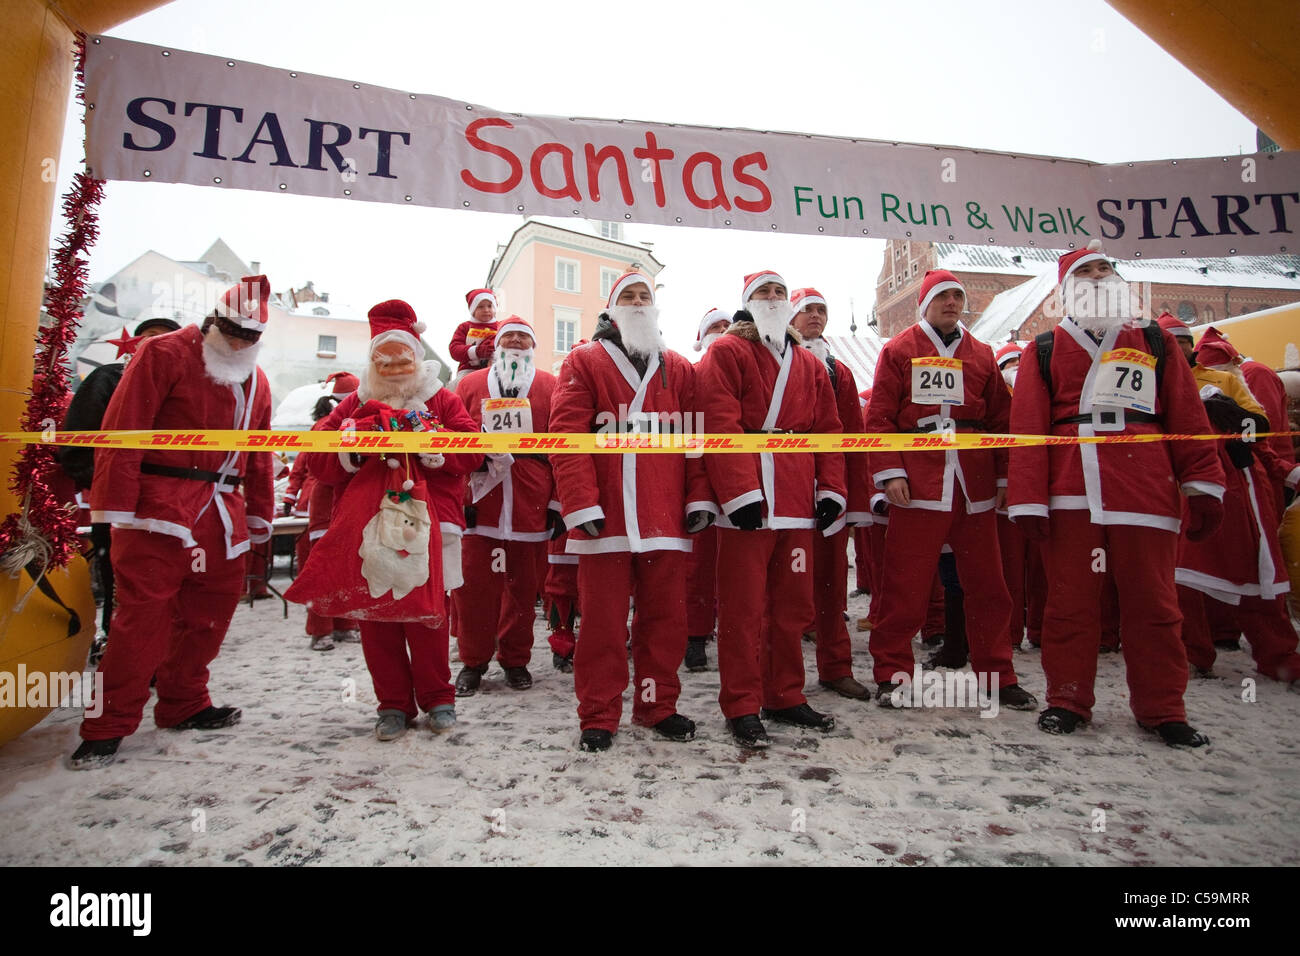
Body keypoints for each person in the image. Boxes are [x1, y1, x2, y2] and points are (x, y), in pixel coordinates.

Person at [1008, 241, 1225, 747]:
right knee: (1070, 603)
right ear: (1068, 291)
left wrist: (1202, 481)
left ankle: (1162, 707)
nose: (1101, 277)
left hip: (1144, 488)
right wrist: (1027, 498)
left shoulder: (1154, 340)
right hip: (1071, 490)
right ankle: (1067, 698)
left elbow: (1186, 414)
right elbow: (1027, 429)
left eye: (1107, 269)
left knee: (1155, 605)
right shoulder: (1043, 348)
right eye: (1088, 272)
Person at [69, 278, 275, 769]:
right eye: (232, 330)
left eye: (251, 335)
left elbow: (260, 450)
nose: (240, 341)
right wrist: (115, 505)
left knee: (210, 614)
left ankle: (184, 702)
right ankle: (107, 725)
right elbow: (123, 427)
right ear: (213, 320)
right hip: (157, 507)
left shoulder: (257, 377)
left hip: (222, 510)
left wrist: (259, 512)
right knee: (140, 620)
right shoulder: (162, 353)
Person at [289, 300, 482, 740]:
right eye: (384, 360)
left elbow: (472, 449)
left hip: (432, 524)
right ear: (372, 362)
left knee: (430, 614)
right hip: (369, 527)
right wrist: (352, 451)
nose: (394, 367)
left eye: (402, 358)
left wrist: (436, 447)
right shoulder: (355, 404)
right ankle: (392, 704)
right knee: (375, 614)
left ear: (417, 357)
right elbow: (318, 457)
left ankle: (438, 698)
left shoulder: (443, 399)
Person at [549, 271, 708, 751]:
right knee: (602, 622)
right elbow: (567, 435)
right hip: (607, 516)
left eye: (646, 297)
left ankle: (656, 706)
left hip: (665, 514)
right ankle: (598, 713)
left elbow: (697, 440)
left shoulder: (678, 368)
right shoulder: (583, 361)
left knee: (665, 621)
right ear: (612, 309)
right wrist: (580, 504)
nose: (638, 303)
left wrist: (697, 498)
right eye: (629, 297)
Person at [864, 269, 1035, 711]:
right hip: (919, 482)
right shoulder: (898, 349)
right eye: (943, 297)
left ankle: (999, 674)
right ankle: (892, 674)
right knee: (905, 585)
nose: (953, 303)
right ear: (925, 304)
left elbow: (1001, 420)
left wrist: (1002, 478)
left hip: (973, 483)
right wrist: (890, 473)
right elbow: (879, 417)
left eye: (958, 297)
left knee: (989, 586)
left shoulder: (981, 353)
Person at [696, 270, 846, 748]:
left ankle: (784, 693)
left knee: (793, 606)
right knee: (743, 609)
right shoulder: (726, 352)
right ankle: (741, 703)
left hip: (797, 496)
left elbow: (828, 427)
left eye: (781, 292)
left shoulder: (806, 361)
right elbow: (719, 421)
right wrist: (739, 494)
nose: (775, 299)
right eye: (765, 293)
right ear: (748, 303)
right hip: (751, 502)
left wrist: (831, 489)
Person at [58, 316, 181, 648]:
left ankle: (159, 657)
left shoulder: (182, 390)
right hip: (118, 508)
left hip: (171, 507)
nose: (156, 345)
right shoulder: (108, 379)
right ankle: (117, 654)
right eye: (150, 336)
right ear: (132, 343)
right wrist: (108, 488)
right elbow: (75, 447)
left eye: (166, 339)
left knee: (168, 587)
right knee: (123, 588)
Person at [452, 315, 556, 695]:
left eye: (523, 337)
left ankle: (516, 660)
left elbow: (563, 447)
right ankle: (473, 661)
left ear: (532, 346)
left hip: (531, 500)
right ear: (497, 345)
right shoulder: (470, 384)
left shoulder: (551, 385)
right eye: (508, 336)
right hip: (480, 502)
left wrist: (558, 503)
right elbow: (452, 439)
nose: (515, 341)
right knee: (474, 589)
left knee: (523, 590)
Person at [789, 287, 872, 700]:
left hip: (830, 492)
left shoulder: (839, 370)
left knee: (832, 586)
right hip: (784, 489)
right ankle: (780, 682)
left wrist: (853, 499)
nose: (816, 317)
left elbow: (853, 439)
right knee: (784, 593)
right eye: (807, 310)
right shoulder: (774, 361)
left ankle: (836, 668)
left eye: (822, 310)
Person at [684, 308, 731, 672]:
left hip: (739, 479)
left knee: (737, 567)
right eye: (715, 327)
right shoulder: (692, 373)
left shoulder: (742, 369)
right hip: (701, 479)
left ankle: (731, 633)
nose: (723, 331)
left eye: (727, 326)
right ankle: (695, 636)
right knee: (698, 566)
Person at [448, 288, 499, 378]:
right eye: (480, 306)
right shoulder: (464, 327)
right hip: (468, 371)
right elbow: (454, 349)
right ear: (473, 309)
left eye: (490, 306)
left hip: (495, 370)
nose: (486, 310)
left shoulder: (501, 326)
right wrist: (476, 351)